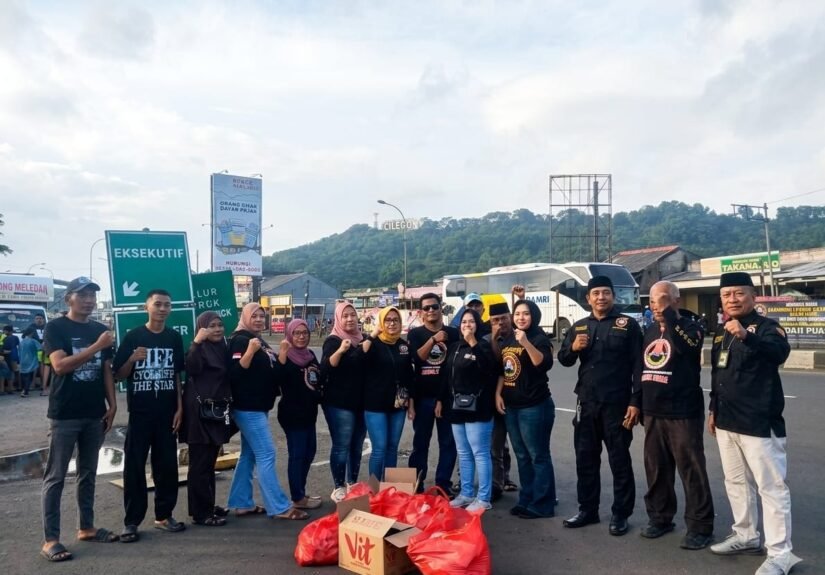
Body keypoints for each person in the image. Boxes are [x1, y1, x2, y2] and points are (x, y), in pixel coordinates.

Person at [708, 272, 801, 575]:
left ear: (753, 296)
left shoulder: (768, 328)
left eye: (738, 293)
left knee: (771, 488)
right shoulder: (723, 331)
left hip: (759, 422)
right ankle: (746, 535)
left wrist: (747, 335)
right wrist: (713, 410)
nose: (732, 299)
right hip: (727, 420)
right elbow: (718, 374)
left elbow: (778, 353)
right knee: (735, 483)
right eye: (726, 295)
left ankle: (780, 554)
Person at [40, 277, 118, 562]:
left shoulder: (100, 329)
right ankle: (51, 540)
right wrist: (97, 346)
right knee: (56, 477)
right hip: (64, 415)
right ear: (68, 299)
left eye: (92, 296)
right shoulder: (55, 327)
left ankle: (86, 527)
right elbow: (60, 366)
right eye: (82, 295)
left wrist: (113, 404)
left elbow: (107, 369)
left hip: (94, 413)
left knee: (88, 474)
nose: (89, 300)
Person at [558, 275, 642, 536]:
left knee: (619, 461)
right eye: (596, 294)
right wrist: (572, 347)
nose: (601, 297)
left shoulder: (627, 325)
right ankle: (588, 510)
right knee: (585, 460)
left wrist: (635, 401)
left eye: (606, 293)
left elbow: (639, 366)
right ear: (588, 298)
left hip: (616, 404)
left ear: (613, 296)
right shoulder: (579, 326)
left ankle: (620, 514)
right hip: (586, 403)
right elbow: (564, 359)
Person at [639, 281, 714, 549]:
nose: (656, 305)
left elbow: (689, 347)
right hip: (652, 411)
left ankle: (700, 526)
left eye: (663, 300)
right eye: (652, 301)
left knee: (691, 470)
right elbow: (641, 369)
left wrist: (670, 316)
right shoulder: (648, 331)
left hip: (682, 411)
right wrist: (637, 402)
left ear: (676, 301)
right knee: (656, 469)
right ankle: (660, 517)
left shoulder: (690, 327)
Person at [114, 289, 186, 542]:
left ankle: (164, 516)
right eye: (158, 304)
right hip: (140, 414)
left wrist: (179, 407)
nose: (163, 309)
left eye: (167, 305)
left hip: (167, 413)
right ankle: (131, 522)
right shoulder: (133, 336)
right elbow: (118, 375)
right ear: (147, 307)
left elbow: (177, 374)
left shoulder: (174, 337)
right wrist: (132, 359)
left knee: (166, 466)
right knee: (134, 467)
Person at [226, 303, 306, 520]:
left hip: (259, 406)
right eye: (255, 316)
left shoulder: (258, 339)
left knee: (249, 454)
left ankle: (241, 503)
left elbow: (273, 374)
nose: (260, 319)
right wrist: (250, 352)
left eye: (262, 316)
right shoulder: (240, 340)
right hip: (247, 407)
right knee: (267, 453)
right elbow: (233, 374)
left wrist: (281, 354)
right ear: (245, 317)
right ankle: (279, 507)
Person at [495, 299, 557, 519]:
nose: (521, 317)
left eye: (526, 314)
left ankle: (543, 503)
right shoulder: (509, 338)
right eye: (518, 313)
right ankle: (527, 498)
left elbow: (543, 363)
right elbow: (504, 370)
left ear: (534, 316)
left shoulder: (539, 338)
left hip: (535, 406)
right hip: (512, 406)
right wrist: (498, 395)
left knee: (538, 455)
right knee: (521, 455)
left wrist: (527, 343)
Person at [437, 308, 497, 512]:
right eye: (463, 322)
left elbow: (489, 369)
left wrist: (473, 343)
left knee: (480, 452)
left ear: (478, 325)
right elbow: (446, 377)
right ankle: (466, 493)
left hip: (478, 408)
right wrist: (440, 401)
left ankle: (484, 498)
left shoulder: (483, 346)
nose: (467, 326)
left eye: (471, 322)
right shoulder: (454, 347)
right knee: (463, 453)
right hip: (456, 408)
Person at [181, 311, 232, 527]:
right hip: (199, 413)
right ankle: (201, 513)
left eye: (220, 325)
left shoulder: (222, 347)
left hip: (215, 411)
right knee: (200, 465)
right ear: (202, 328)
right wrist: (196, 342)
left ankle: (208, 505)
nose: (218, 329)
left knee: (209, 463)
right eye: (212, 326)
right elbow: (191, 368)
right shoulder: (199, 348)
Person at [407, 293, 458, 494]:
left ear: (440, 308)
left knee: (448, 443)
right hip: (422, 398)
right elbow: (417, 360)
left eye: (434, 307)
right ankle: (417, 484)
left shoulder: (453, 333)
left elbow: (454, 365)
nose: (431, 311)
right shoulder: (415, 334)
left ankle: (442, 485)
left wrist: (443, 398)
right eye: (426, 308)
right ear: (421, 312)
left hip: (447, 397)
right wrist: (434, 340)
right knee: (420, 443)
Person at [359, 306, 413, 480]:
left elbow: (409, 377)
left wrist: (410, 405)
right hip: (375, 405)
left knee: (392, 447)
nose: (391, 323)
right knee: (380, 448)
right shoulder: (373, 344)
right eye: (388, 320)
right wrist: (373, 334)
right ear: (381, 321)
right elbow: (357, 357)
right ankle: (375, 490)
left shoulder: (404, 346)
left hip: (398, 405)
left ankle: (389, 488)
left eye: (395, 320)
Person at [321, 301, 367, 502]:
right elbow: (326, 368)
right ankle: (338, 486)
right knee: (341, 445)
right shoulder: (333, 340)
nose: (349, 319)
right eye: (345, 315)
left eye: (352, 315)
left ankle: (353, 483)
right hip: (339, 403)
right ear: (339, 318)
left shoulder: (363, 339)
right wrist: (341, 350)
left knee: (356, 446)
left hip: (362, 403)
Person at [277, 319, 323, 510]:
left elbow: (317, 379)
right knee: (297, 455)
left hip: (309, 413)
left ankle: (301, 491)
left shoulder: (310, 355)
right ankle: (298, 498)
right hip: (292, 413)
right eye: (297, 333)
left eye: (305, 332)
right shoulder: (285, 355)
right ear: (290, 335)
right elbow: (277, 379)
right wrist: (281, 353)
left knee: (309, 452)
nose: (302, 336)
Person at [486, 301, 518, 501]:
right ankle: (497, 484)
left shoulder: (519, 337)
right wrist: (494, 339)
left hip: (518, 399)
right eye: (495, 320)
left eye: (504, 319)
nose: (500, 323)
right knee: (495, 445)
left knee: (521, 448)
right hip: (494, 401)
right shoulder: (487, 340)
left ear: (510, 317)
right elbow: (493, 364)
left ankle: (506, 477)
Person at [18, 327, 41, 397]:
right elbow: (40, 349)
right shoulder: (34, 341)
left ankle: (23, 389)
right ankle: (25, 391)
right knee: (29, 377)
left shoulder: (22, 342)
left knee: (23, 376)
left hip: (22, 361)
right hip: (31, 361)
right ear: (32, 333)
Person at [2, 325, 20, 391]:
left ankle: (10, 387)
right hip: (14, 355)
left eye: (4, 330)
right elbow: (18, 346)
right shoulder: (15, 337)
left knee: (9, 371)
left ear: (8, 331)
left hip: (8, 356)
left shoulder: (5, 338)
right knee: (14, 371)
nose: (3, 332)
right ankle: (15, 386)